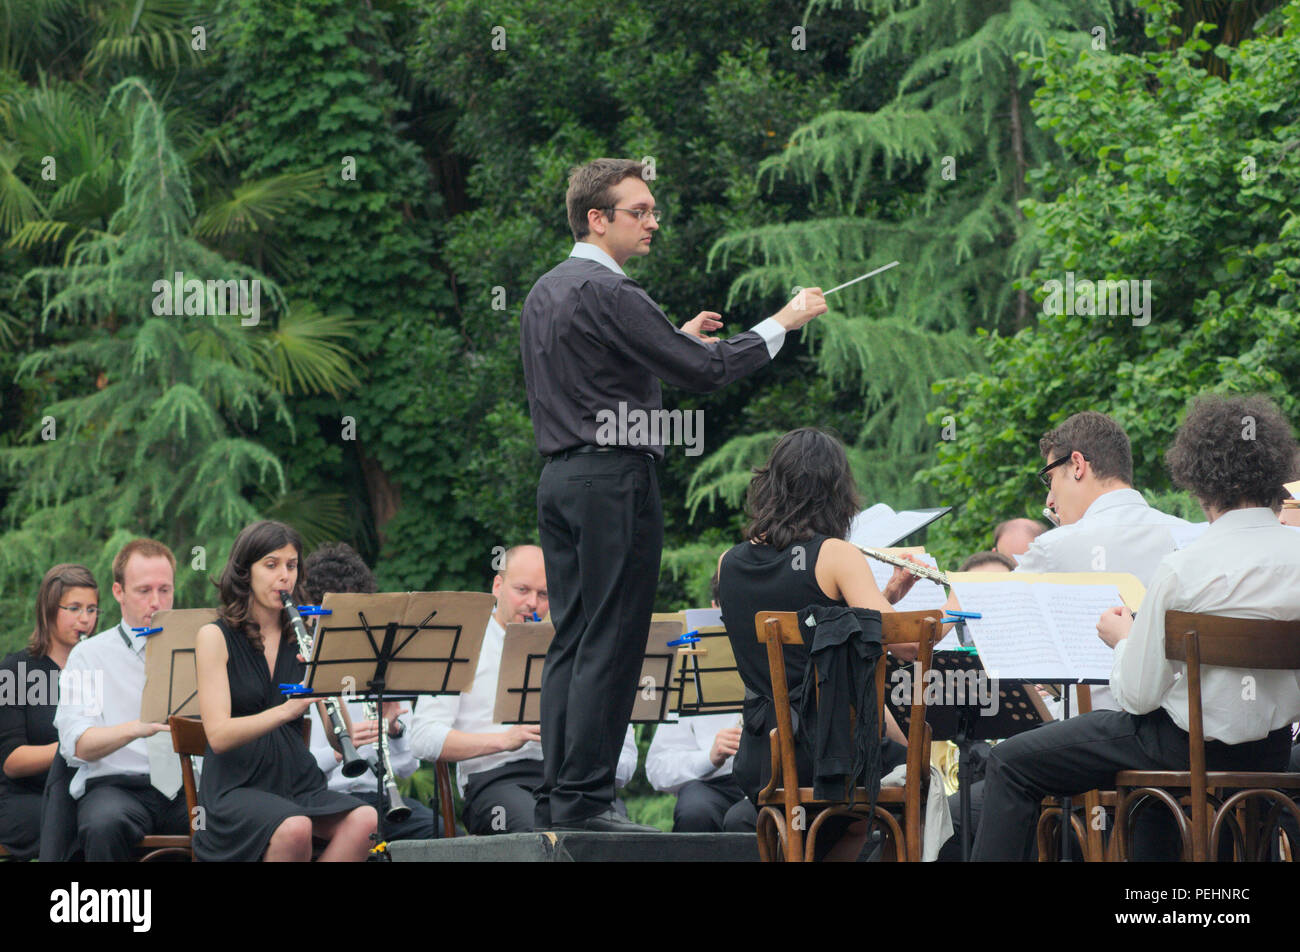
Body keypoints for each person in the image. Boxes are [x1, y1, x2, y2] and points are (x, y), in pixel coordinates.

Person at [521, 157, 828, 831]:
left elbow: (597, 381)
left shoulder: (546, 291)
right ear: (598, 219)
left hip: (561, 481)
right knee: (615, 638)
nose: (654, 222)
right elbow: (708, 372)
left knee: (573, 637)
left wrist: (668, 343)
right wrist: (782, 322)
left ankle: (561, 799)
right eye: (641, 211)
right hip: (612, 483)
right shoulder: (615, 292)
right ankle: (587, 803)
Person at [972, 393, 1300, 861]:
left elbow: (1139, 695)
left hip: (1180, 746)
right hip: (1270, 754)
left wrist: (1123, 639)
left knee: (1009, 763)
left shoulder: (1184, 567)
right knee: (1154, 802)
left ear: (1200, 480)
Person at [716, 428, 922, 860]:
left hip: (763, 756)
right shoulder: (835, 555)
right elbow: (904, 645)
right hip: (829, 756)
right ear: (836, 493)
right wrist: (959, 599)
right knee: (921, 781)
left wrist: (887, 598)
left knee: (849, 823)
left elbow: (832, 635)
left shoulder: (728, 563)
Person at [409, 545, 639, 835]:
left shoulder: (580, 647)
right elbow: (422, 738)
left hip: (573, 783)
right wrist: (504, 740)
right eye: (522, 590)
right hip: (495, 783)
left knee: (623, 839)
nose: (533, 603)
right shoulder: (459, 643)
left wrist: (584, 753)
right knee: (542, 836)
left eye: (544, 594)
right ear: (498, 586)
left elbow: (626, 761)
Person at [193, 521, 376, 861]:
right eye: (271, 564)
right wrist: (287, 710)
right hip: (236, 786)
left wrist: (327, 681)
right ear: (245, 571)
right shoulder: (214, 637)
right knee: (294, 827)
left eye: (291, 566)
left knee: (365, 819)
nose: (284, 576)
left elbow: (341, 741)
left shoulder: (306, 634)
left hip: (295, 780)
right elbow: (217, 735)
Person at [1015, 411, 1187, 715]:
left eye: (1050, 479)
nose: (1050, 500)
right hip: (1188, 730)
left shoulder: (1055, 546)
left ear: (1078, 465)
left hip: (1099, 732)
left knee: (1004, 759)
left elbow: (995, 622)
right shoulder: (1189, 534)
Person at [54, 540, 191, 861]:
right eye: (144, 591)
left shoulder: (198, 647)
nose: (156, 602)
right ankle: (113, 909)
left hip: (187, 786)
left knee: (229, 820)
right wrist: (136, 728)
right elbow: (76, 744)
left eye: (165, 590)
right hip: (116, 789)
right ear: (119, 592)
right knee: (103, 825)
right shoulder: (89, 655)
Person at [302, 542, 440, 841]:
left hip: (377, 797)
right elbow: (290, 769)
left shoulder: (383, 662)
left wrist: (393, 731)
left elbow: (406, 769)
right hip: (320, 801)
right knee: (365, 833)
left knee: (437, 830)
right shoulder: (297, 664)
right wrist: (340, 752)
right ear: (311, 613)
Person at [0, 565, 97, 859]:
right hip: (25, 798)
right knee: (75, 823)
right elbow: (11, 761)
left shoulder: (99, 670)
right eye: (75, 608)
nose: (85, 619)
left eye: (92, 609)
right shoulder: (15, 671)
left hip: (85, 792)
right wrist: (73, 746)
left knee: (113, 818)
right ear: (48, 610)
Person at [646, 714, 745, 832]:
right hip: (712, 785)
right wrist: (708, 758)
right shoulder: (688, 697)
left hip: (768, 781)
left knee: (743, 817)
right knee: (694, 813)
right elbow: (658, 767)